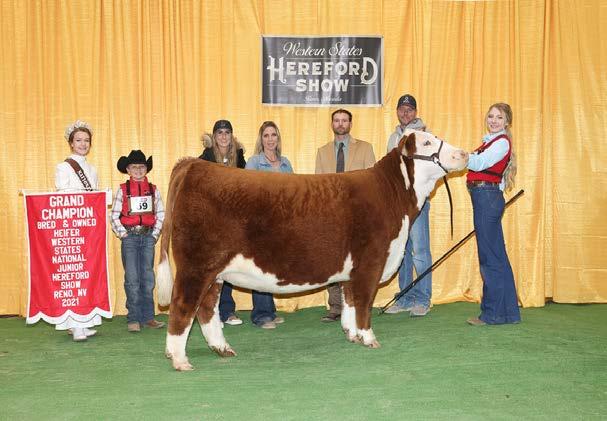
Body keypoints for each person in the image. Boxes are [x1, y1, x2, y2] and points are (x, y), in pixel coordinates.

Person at [315, 109, 376, 322]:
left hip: (358, 214)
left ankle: (359, 304)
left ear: (350, 124)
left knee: (359, 261)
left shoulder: (366, 148)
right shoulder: (322, 152)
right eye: (337, 120)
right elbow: (318, 185)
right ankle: (335, 307)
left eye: (344, 120)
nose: (340, 124)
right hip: (331, 213)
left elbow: (371, 183)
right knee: (332, 259)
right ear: (332, 124)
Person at [465, 102, 521, 326]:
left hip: (486, 198)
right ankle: (507, 313)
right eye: (491, 116)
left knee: (489, 258)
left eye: (499, 117)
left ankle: (493, 314)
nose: (494, 121)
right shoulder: (492, 142)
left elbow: (480, 163)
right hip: (487, 197)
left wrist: (458, 156)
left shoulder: (500, 143)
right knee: (496, 256)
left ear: (507, 122)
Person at [384, 94, 433, 317]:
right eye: (402, 109)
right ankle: (405, 298)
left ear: (415, 112)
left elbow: (430, 170)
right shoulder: (393, 137)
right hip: (398, 203)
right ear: (397, 111)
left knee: (420, 251)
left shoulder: (424, 136)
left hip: (416, 201)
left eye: (410, 109)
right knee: (402, 250)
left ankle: (422, 299)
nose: (406, 113)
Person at [54, 120, 102, 341]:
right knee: (73, 275)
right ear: (71, 143)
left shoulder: (92, 169)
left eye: (86, 140)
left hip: (89, 226)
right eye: (79, 140)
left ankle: (86, 320)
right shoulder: (63, 167)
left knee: (88, 273)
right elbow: (61, 194)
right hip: (72, 225)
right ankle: (74, 324)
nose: (83, 144)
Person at [243, 121, 293, 328]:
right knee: (261, 268)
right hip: (261, 222)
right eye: (266, 135)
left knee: (273, 267)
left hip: (282, 223)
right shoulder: (254, 162)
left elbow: (293, 192)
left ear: (278, 138)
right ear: (261, 139)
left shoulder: (285, 163)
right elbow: (248, 193)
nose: (270, 139)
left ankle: (269, 311)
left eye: (273, 135)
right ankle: (261, 315)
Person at [110, 150, 166, 332]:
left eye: (141, 167)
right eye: (134, 167)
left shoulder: (153, 190)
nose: (138, 170)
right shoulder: (123, 190)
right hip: (130, 238)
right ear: (128, 169)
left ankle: (148, 317)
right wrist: (123, 234)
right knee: (132, 278)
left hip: (148, 237)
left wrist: (154, 234)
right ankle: (133, 317)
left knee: (148, 278)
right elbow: (114, 215)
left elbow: (161, 214)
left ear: (146, 169)